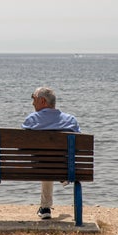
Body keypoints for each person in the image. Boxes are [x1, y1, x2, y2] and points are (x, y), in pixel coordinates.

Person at [21, 86, 80, 220]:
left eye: (34, 99)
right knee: (51, 158)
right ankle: (60, 174)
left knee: (43, 159)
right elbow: (78, 148)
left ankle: (45, 208)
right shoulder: (71, 120)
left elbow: (22, 147)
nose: (32, 103)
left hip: (39, 166)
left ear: (42, 101)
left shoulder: (32, 120)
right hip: (64, 166)